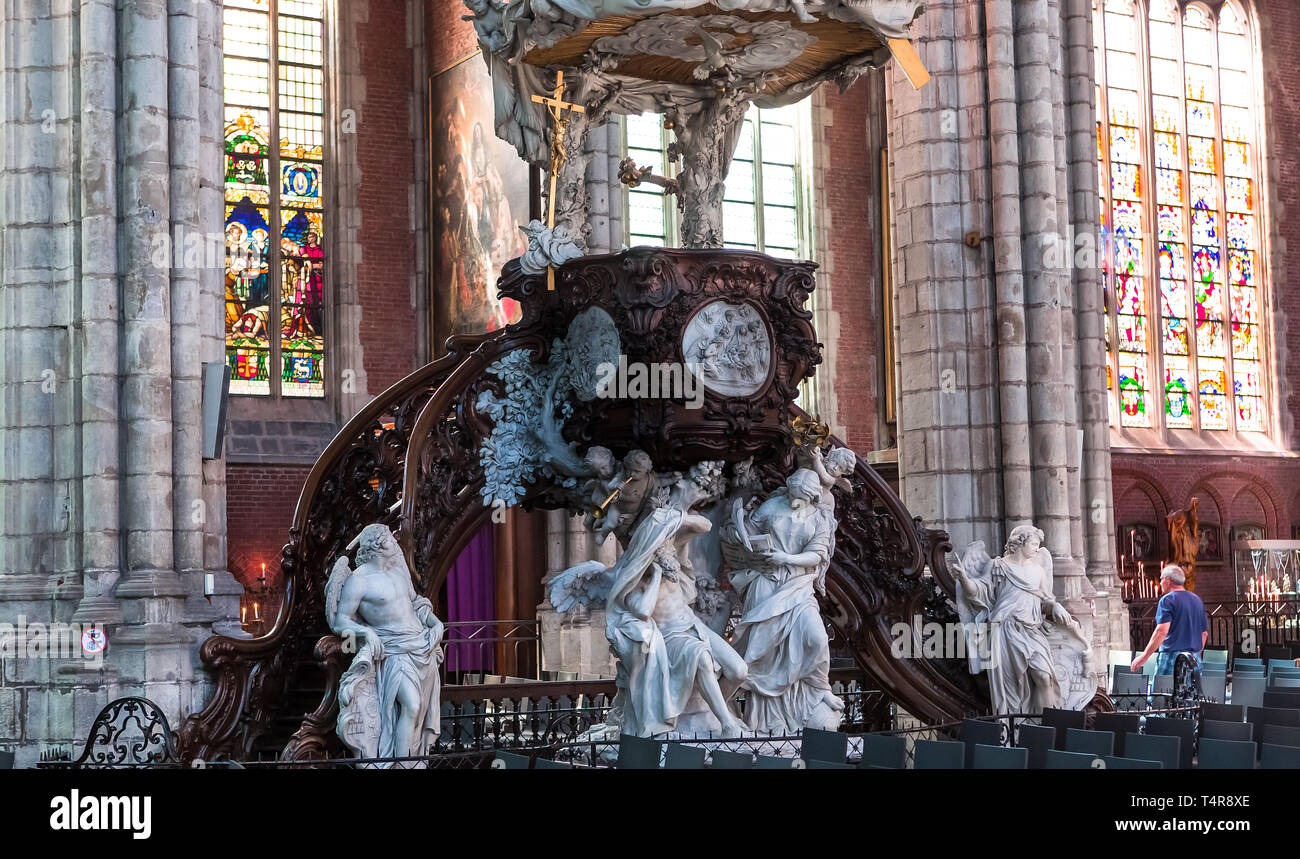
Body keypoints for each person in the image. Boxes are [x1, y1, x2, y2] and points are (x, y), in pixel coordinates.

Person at [1131, 565, 1208, 676]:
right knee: (1191, 693)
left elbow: (1161, 631)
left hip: (1171, 658)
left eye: (1161, 579)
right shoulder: (1197, 600)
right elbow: (1204, 634)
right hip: (1194, 658)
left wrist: (1144, 657)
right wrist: (1194, 654)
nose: (1160, 583)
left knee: (1161, 693)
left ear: (1168, 580)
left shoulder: (1168, 600)